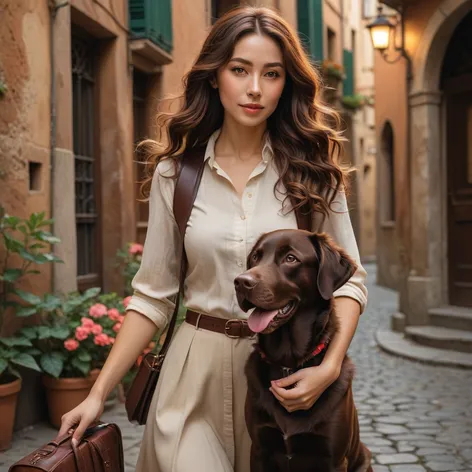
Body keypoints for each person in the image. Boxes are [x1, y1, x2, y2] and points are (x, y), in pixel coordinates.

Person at [58, 6, 368, 472]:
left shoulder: (313, 173)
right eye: (239, 69)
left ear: (288, 85)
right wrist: (97, 394)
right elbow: (153, 296)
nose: (255, 89)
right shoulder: (176, 175)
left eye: (272, 74)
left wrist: (328, 368)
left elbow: (350, 281)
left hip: (284, 380)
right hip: (193, 377)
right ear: (215, 74)